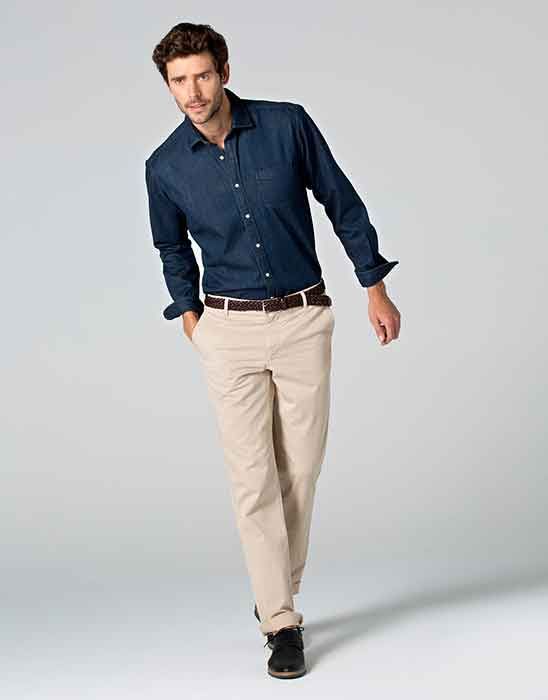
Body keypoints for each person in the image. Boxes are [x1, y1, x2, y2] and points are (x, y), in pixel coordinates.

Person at [145, 21, 401, 679]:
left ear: (224, 72)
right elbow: (172, 247)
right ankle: (281, 620)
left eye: (202, 75)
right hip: (226, 331)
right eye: (179, 81)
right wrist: (192, 319)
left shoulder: (287, 126)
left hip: (302, 320)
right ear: (168, 86)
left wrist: (374, 287)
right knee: (252, 479)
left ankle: (274, 586)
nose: (193, 92)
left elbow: (341, 202)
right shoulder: (165, 167)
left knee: (300, 469)